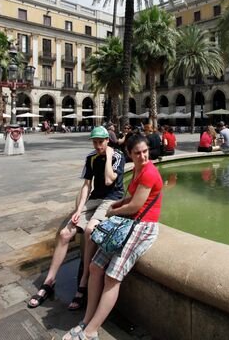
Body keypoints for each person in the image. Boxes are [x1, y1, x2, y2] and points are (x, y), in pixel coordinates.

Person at [63, 134, 163, 340]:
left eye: (145, 152)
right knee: (94, 267)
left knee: (112, 276)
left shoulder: (149, 172)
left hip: (142, 227)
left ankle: (91, 332)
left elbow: (136, 206)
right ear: (129, 154)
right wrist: (118, 203)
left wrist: (112, 212)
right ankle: (86, 320)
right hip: (128, 223)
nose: (143, 156)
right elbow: (133, 198)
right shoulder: (138, 168)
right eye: (137, 153)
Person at [28, 126, 125, 310]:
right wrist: (79, 210)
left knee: (89, 231)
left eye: (101, 142)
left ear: (107, 140)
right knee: (65, 233)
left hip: (112, 199)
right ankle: (49, 281)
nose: (97, 146)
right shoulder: (90, 158)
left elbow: (108, 180)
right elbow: (87, 186)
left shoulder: (118, 156)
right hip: (95, 199)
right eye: (95, 142)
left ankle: (83, 282)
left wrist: (109, 156)